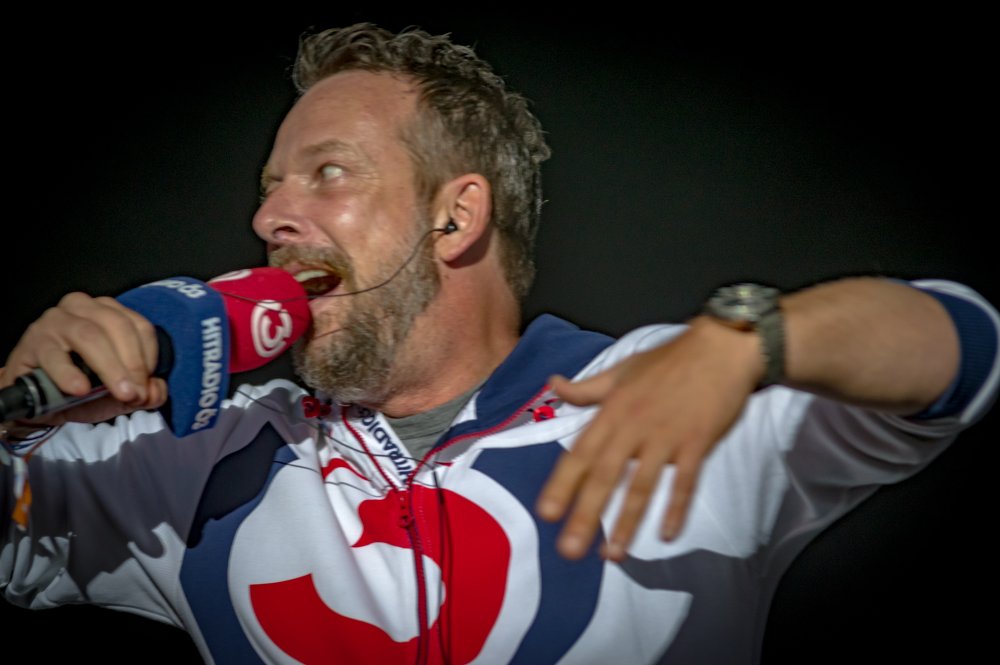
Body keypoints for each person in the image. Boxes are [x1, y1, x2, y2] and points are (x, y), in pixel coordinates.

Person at [2, 21, 996, 665]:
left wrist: (750, 342)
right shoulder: (198, 457)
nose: (270, 219)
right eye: (270, 187)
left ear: (455, 216)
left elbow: (962, 344)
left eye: (327, 173)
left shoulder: (663, 392)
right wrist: (18, 408)